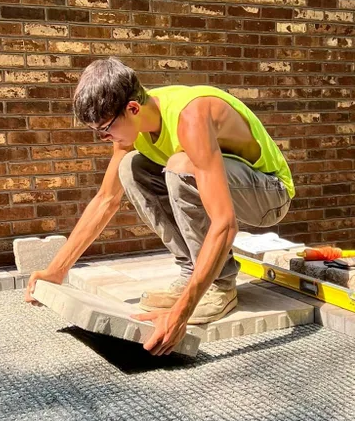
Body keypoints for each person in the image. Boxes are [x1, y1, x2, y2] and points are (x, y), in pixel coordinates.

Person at [25, 59, 294, 354]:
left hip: (269, 194)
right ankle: (192, 272)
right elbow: (106, 200)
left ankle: (220, 286)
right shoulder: (131, 128)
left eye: (104, 129)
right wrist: (56, 270)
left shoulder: (191, 117)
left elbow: (225, 223)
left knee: (180, 165)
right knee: (131, 167)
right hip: (228, 186)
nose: (104, 138)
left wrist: (181, 314)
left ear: (133, 109)